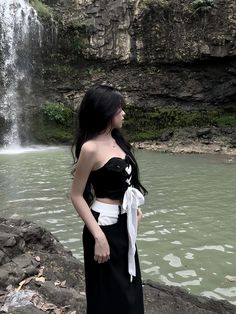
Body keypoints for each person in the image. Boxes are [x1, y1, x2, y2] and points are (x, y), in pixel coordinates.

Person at [70, 84, 148, 314]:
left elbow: (126, 182)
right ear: (105, 112)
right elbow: (75, 195)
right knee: (107, 296)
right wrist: (98, 236)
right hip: (103, 225)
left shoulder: (118, 141)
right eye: (118, 109)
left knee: (130, 290)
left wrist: (133, 210)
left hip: (124, 224)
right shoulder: (90, 148)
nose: (123, 113)